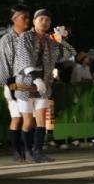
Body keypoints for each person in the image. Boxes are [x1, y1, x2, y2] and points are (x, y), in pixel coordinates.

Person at [14, 9, 75, 163]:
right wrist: (35, 78)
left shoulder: (50, 41)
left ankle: (38, 151)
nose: (45, 22)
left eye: (47, 19)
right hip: (26, 84)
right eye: (41, 19)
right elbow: (24, 59)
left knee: (41, 120)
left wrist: (62, 39)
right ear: (34, 21)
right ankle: (27, 151)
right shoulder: (25, 37)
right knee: (28, 122)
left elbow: (69, 54)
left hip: (44, 85)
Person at [0, 5, 30, 162]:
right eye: (23, 17)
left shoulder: (30, 37)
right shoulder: (7, 39)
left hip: (29, 82)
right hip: (13, 82)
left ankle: (28, 150)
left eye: (28, 17)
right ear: (14, 19)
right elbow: (4, 63)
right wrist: (10, 85)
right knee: (17, 117)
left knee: (30, 118)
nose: (27, 20)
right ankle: (17, 151)